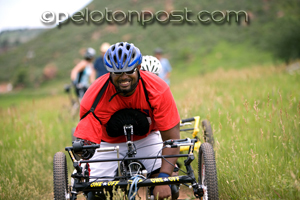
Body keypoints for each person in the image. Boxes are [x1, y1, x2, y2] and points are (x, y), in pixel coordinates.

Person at [73, 42, 180, 200]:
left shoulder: (158, 89)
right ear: (110, 72)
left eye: (129, 70)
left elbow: (171, 139)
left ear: (138, 68)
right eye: (117, 72)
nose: (124, 77)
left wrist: (164, 178)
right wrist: (84, 149)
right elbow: (88, 137)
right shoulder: (94, 96)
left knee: (168, 186)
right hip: (107, 142)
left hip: (146, 138)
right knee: (95, 193)